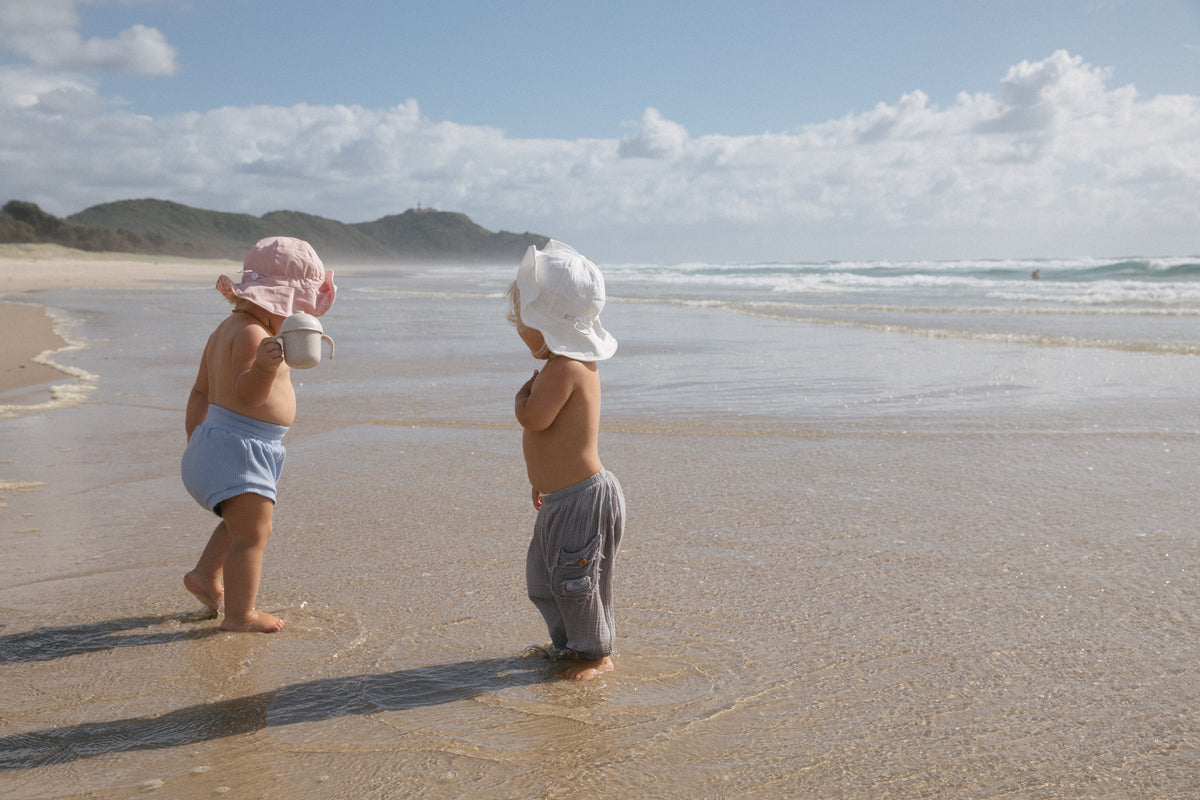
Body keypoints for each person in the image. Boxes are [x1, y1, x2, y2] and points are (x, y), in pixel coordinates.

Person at [180, 236, 336, 633]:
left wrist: (196, 442)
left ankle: (204, 576)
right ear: (278, 300)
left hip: (219, 441)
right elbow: (246, 394)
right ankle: (239, 615)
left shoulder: (226, 329)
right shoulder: (253, 335)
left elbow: (201, 391)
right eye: (297, 310)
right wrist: (265, 371)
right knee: (253, 534)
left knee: (240, 522)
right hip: (239, 445)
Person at [506, 240, 625, 680]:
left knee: (576, 583)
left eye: (524, 323)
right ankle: (570, 646)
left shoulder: (567, 368)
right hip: (561, 496)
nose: (520, 330)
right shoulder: (563, 364)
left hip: (583, 498)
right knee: (544, 579)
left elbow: (536, 420)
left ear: (547, 322)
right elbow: (556, 437)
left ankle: (595, 653)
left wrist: (521, 398)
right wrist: (543, 481)